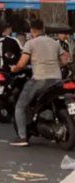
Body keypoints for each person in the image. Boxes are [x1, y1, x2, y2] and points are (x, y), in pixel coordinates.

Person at [9, 19, 70, 147]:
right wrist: (55, 64)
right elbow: (65, 58)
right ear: (43, 29)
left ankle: (22, 137)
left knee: (20, 106)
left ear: (32, 30)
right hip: (57, 79)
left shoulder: (30, 43)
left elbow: (22, 63)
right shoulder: (54, 43)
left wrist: (14, 68)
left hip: (40, 80)